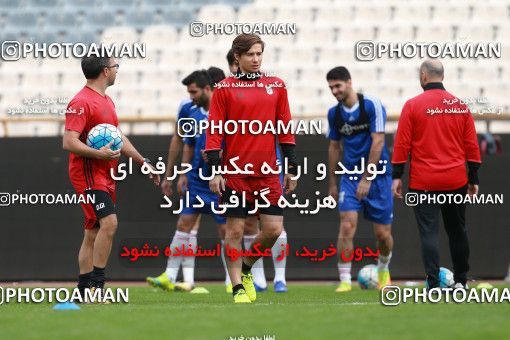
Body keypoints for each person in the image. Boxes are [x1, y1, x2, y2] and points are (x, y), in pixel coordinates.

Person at [205, 34, 298, 303]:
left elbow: (285, 128)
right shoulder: (223, 88)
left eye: (259, 54)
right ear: (238, 57)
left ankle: (246, 267)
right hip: (234, 173)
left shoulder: (277, 86)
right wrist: (215, 170)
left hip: (268, 172)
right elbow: (214, 132)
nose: (255, 59)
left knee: (273, 230)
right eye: (250, 55)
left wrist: (292, 167)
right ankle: (237, 288)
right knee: (234, 231)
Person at [63, 54, 160, 297]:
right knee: (110, 222)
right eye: (116, 66)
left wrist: (142, 161)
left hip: (104, 173)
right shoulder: (81, 101)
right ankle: (97, 286)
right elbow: (68, 141)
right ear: (106, 71)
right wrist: (98, 153)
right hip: (87, 174)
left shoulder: (106, 101)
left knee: (93, 231)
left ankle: (84, 290)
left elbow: (118, 136)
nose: (118, 70)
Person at [392, 59, 481, 289]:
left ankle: (433, 284)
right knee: (458, 231)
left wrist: (397, 176)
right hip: (455, 180)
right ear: (443, 75)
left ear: (423, 76)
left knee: (428, 233)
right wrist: (473, 179)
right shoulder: (460, 106)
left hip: (424, 182)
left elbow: (402, 145)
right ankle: (461, 282)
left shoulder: (412, 105)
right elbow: (471, 146)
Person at [147, 68, 229, 292]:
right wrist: (179, 173)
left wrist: (220, 156)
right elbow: (187, 142)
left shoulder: (227, 108)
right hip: (196, 178)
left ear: (207, 88)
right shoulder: (187, 109)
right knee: (184, 224)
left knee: (226, 231)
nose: (191, 96)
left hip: (222, 179)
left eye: (194, 92)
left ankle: (232, 281)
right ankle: (169, 276)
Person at [326, 66, 394, 293]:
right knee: (346, 225)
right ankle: (345, 279)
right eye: (331, 87)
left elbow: (378, 142)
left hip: (378, 176)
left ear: (349, 82)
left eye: (338, 86)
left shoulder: (371, 105)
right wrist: (333, 183)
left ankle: (383, 269)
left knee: (383, 235)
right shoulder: (334, 114)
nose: (335, 91)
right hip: (350, 176)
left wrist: (367, 178)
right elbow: (334, 147)